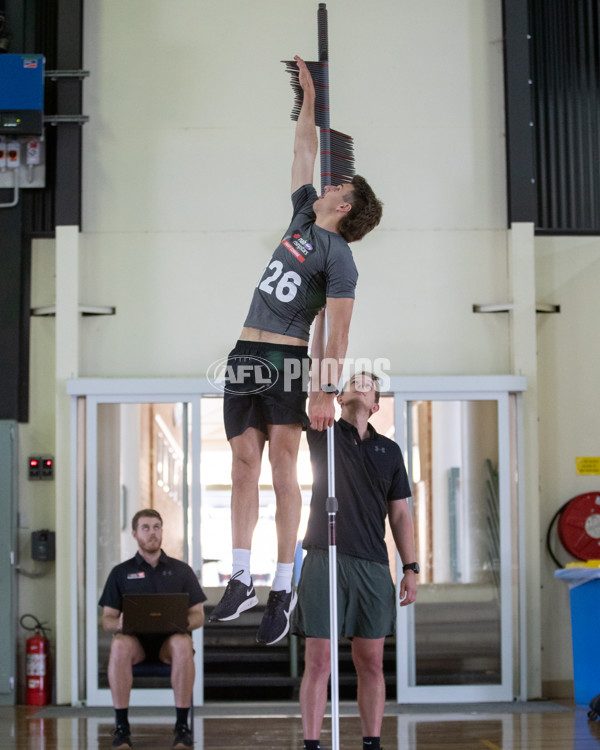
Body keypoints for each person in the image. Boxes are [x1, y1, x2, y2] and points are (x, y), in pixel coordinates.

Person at [209, 55, 383, 648]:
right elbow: (302, 150)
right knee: (240, 466)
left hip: (286, 360)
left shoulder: (341, 260)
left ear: (346, 206)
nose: (329, 184)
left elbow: (337, 336)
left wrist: (324, 389)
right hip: (244, 353)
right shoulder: (301, 215)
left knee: (284, 467)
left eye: (339, 188)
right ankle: (239, 577)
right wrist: (309, 96)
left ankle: (283, 585)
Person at [295, 326, 418, 750]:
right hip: (323, 558)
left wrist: (411, 567)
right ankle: (312, 744)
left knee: (370, 662)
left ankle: (371, 743)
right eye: (351, 381)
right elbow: (316, 376)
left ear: (377, 404)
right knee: (320, 660)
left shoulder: (390, 451)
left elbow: (400, 513)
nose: (357, 385)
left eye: (366, 384)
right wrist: (322, 328)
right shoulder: (321, 431)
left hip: (370, 563)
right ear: (340, 395)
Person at [99, 509, 206, 750]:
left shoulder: (182, 571)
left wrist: (179, 622)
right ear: (135, 534)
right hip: (134, 643)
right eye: (146, 528)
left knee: (182, 642)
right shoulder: (120, 572)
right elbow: (106, 619)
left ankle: (181, 728)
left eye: (157, 527)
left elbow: (199, 614)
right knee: (118, 643)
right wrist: (118, 624)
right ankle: (122, 729)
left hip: (169, 643)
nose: (152, 532)